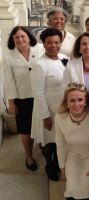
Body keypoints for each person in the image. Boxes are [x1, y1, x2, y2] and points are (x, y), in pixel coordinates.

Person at [55, 82, 89, 200]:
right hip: (72, 155)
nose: (76, 104)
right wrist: (62, 167)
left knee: (86, 189)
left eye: (80, 99)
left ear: (85, 101)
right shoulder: (59, 117)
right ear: (66, 103)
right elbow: (60, 144)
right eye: (72, 100)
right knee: (72, 188)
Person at [30, 28, 68, 180]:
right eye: (49, 43)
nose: (54, 46)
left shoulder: (65, 58)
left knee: (60, 139)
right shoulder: (40, 65)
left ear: (61, 43)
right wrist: (45, 116)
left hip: (63, 109)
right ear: (44, 44)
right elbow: (38, 93)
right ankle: (49, 165)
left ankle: (58, 161)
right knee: (48, 141)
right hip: (47, 110)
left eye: (57, 42)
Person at [4, 26, 43, 171]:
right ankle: (29, 156)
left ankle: (44, 149)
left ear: (29, 37)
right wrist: (11, 103)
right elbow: (9, 82)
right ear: (13, 40)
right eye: (16, 37)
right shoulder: (9, 57)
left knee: (42, 126)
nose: (20, 39)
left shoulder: (40, 49)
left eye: (23, 36)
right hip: (23, 98)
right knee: (26, 130)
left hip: (41, 96)